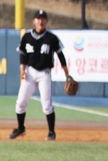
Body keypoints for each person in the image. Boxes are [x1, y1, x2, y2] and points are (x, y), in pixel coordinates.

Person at [9, 10, 71, 141]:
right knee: (20, 102)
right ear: (34, 21)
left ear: (46, 21)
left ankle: (51, 132)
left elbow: (61, 56)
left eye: (43, 18)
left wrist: (67, 75)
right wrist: (22, 69)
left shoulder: (52, 38)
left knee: (47, 105)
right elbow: (23, 54)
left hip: (45, 74)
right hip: (30, 73)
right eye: (38, 18)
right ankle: (21, 128)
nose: (40, 21)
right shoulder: (26, 37)